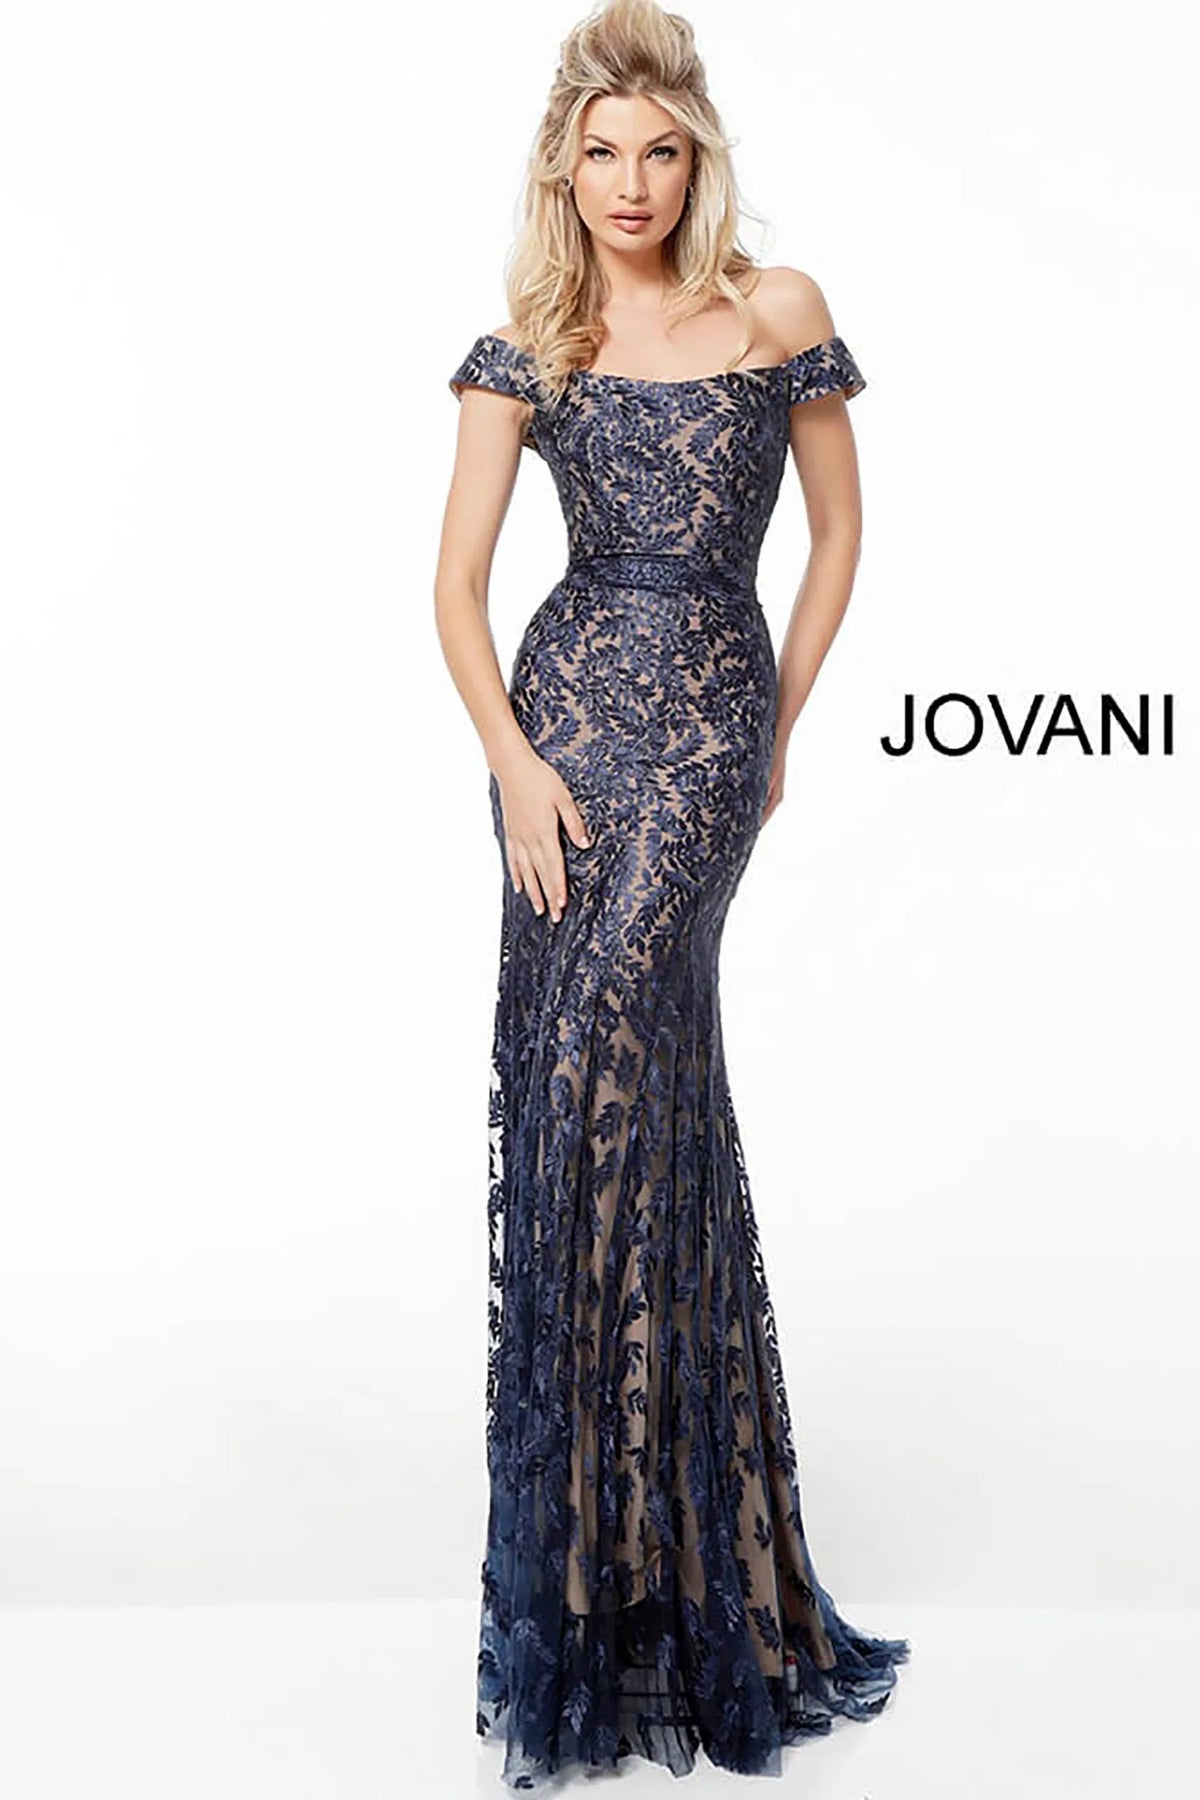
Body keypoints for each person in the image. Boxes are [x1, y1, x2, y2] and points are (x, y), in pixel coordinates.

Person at [434, 0, 910, 1786]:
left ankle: (690, 1567)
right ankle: (599, 1581)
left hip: (709, 728)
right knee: (584, 1105)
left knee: (626, 1071)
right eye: (602, 153)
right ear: (564, 170)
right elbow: (455, 591)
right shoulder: (529, 345)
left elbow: (839, 534)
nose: (631, 182)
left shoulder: (776, 309)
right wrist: (514, 764)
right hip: (561, 732)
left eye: (660, 151)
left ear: (695, 159)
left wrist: (776, 724)